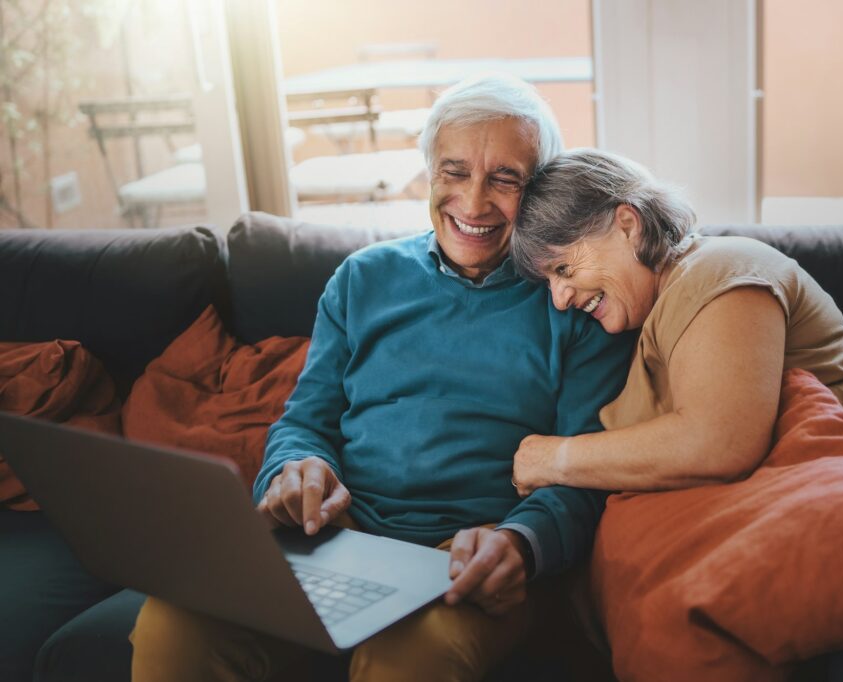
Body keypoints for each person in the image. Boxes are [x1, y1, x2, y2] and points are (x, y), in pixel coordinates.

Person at [128, 77, 634, 682]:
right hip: (338, 538)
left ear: (539, 190)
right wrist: (295, 470)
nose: (473, 204)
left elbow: (588, 473)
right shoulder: (361, 279)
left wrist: (522, 542)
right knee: (172, 623)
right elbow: (304, 422)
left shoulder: (575, 298)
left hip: (467, 555)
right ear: (427, 174)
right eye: (454, 172)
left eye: (505, 179)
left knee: (406, 663)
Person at [508, 147, 843, 681]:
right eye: (549, 281)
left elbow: (719, 442)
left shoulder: (714, 270)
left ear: (627, 224)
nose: (560, 297)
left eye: (564, 268)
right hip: (820, 512)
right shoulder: (651, 326)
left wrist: (550, 457)